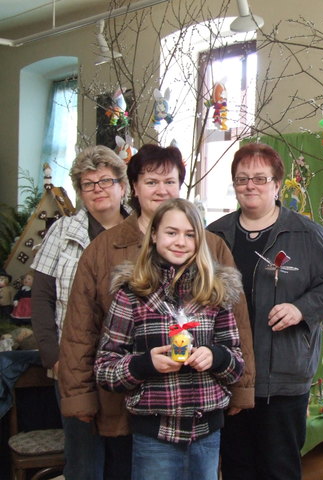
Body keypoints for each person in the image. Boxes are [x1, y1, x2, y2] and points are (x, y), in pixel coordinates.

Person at [57, 144, 254, 480]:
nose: (161, 190)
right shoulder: (104, 251)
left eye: (170, 181)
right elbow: (80, 330)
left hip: (199, 410)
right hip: (128, 402)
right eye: (151, 182)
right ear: (133, 187)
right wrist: (79, 396)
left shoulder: (211, 247)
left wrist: (240, 387)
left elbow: (235, 326)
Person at [207, 142, 323, 480]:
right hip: (230, 373)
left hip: (283, 376)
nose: (250, 186)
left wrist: (300, 309)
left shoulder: (306, 233)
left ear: (277, 185)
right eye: (241, 179)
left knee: (279, 468)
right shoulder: (214, 235)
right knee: (236, 466)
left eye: (259, 178)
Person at [95, 198, 244, 480]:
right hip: (154, 437)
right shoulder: (132, 295)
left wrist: (216, 356)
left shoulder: (214, 294)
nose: (180, 242)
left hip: (207, 434)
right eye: (171, 232)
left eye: (190, 235)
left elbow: (237, 366)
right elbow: (105, 369)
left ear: (200, 240)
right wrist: (143, 365)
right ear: (154, 236)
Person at [31, 145, 129, 480]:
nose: (98, 189)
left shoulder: (143, 233)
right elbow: (40, 297)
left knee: (124, 461)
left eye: (105, 181)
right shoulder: (62, 232)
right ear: (81, 192)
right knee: (83, 462)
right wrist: (53, 356)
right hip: (74, 366)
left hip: (128, 368)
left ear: (123, 186)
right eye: (88, 184)